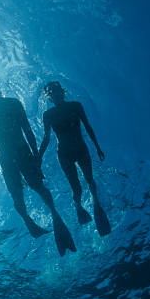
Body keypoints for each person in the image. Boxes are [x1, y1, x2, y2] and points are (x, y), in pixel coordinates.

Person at [0, 76, 76, 256]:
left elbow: (27, 129)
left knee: (37, 187)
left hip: (21, 153)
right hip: (9, 156)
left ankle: (54, 216)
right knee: (18, 194)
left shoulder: (10, 104)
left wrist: (36, 154)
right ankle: (31, 221)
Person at [39, 81, 111, 237]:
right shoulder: (48, 115)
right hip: (64, 154)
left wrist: (97, 147)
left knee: (89, 179)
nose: (56, 95)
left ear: (62, 92)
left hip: (81, 149)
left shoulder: (76, 106)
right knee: (76, 187)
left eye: (58, 92)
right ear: (49, 97)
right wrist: (38, 157)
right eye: (52, 94)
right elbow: (46, 138)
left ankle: (96, 204)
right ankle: (78, 207)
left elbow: (88, 126)